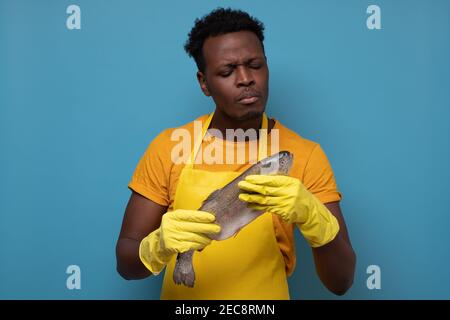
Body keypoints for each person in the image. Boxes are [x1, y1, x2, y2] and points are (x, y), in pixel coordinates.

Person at [116, 7, 356, 299]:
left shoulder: (305, 154)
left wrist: (316, 220)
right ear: (204, 82)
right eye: (227, 71)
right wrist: (158, 245)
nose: (245, 79)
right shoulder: (170, 147)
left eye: (255, 65)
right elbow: (126, 264)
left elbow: (341, 281)